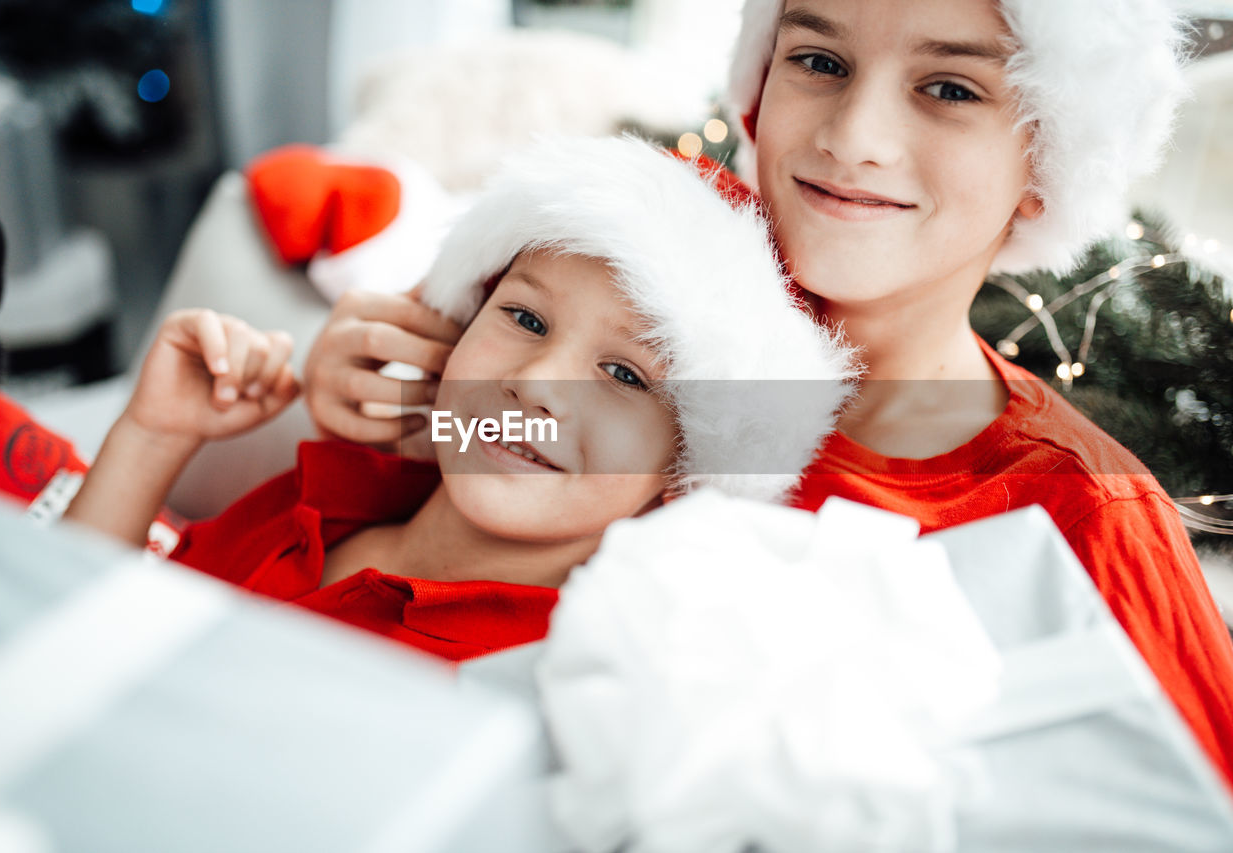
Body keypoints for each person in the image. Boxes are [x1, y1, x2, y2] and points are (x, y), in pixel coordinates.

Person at [299, 0, 1233, 783]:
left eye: (949, 88)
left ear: (1045, 164)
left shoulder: (1081, 521)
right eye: (818, 60)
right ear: (753, 97)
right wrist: (380, 377)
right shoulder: (621, 286)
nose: (853, 136)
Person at [64, 135, 853, 662]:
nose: (539, 381)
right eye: (524, 317)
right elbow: (72, 639)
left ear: (685, 467)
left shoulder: (549, 668)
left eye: (625, 376)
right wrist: (153, 434)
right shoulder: (334, 497)